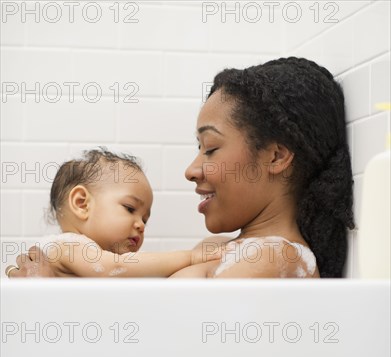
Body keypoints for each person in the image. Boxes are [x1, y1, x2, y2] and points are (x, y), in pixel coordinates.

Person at [6, 57, 355, 279]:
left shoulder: (273, 258)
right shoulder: (229, 250)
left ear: (276, 157)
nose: (191, 170)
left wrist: (50, 301)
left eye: (211, 148)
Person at [5, 148, 220, 278]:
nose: (141, 225)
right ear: (82, 204)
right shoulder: (68, 245)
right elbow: (115, 268)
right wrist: (190, 257)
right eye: (129, 209)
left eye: (145, 218)